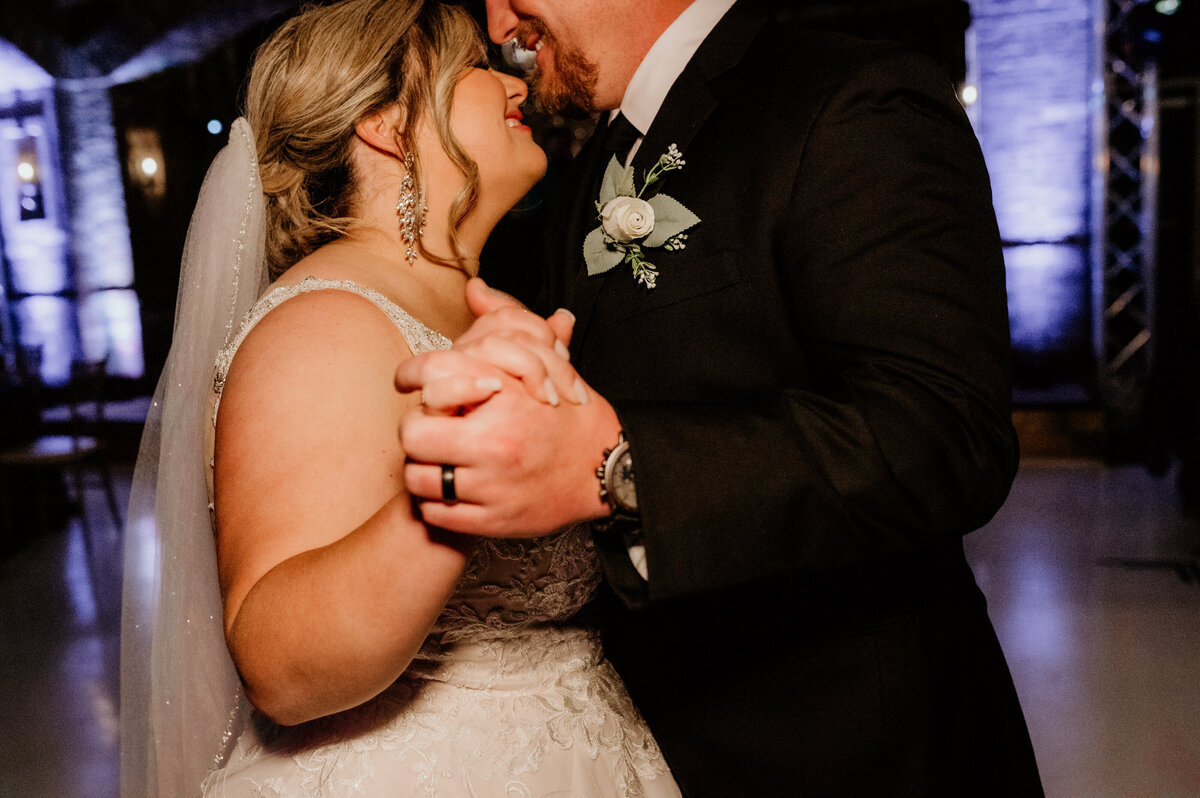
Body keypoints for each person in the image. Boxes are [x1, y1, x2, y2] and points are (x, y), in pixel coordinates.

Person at [395, 0, 1047, 794]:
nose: (501, 25)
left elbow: (945, 430)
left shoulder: (849, 99)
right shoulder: (597, 160)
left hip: (847, 751)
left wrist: (619, 466)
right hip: (650, 743)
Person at [118, 1, 683, 795]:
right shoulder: (321, 323)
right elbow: (279, 666)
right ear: (387, 123)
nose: (512, 83)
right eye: (473, 70)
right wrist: (456, 479)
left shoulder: (489, 307)